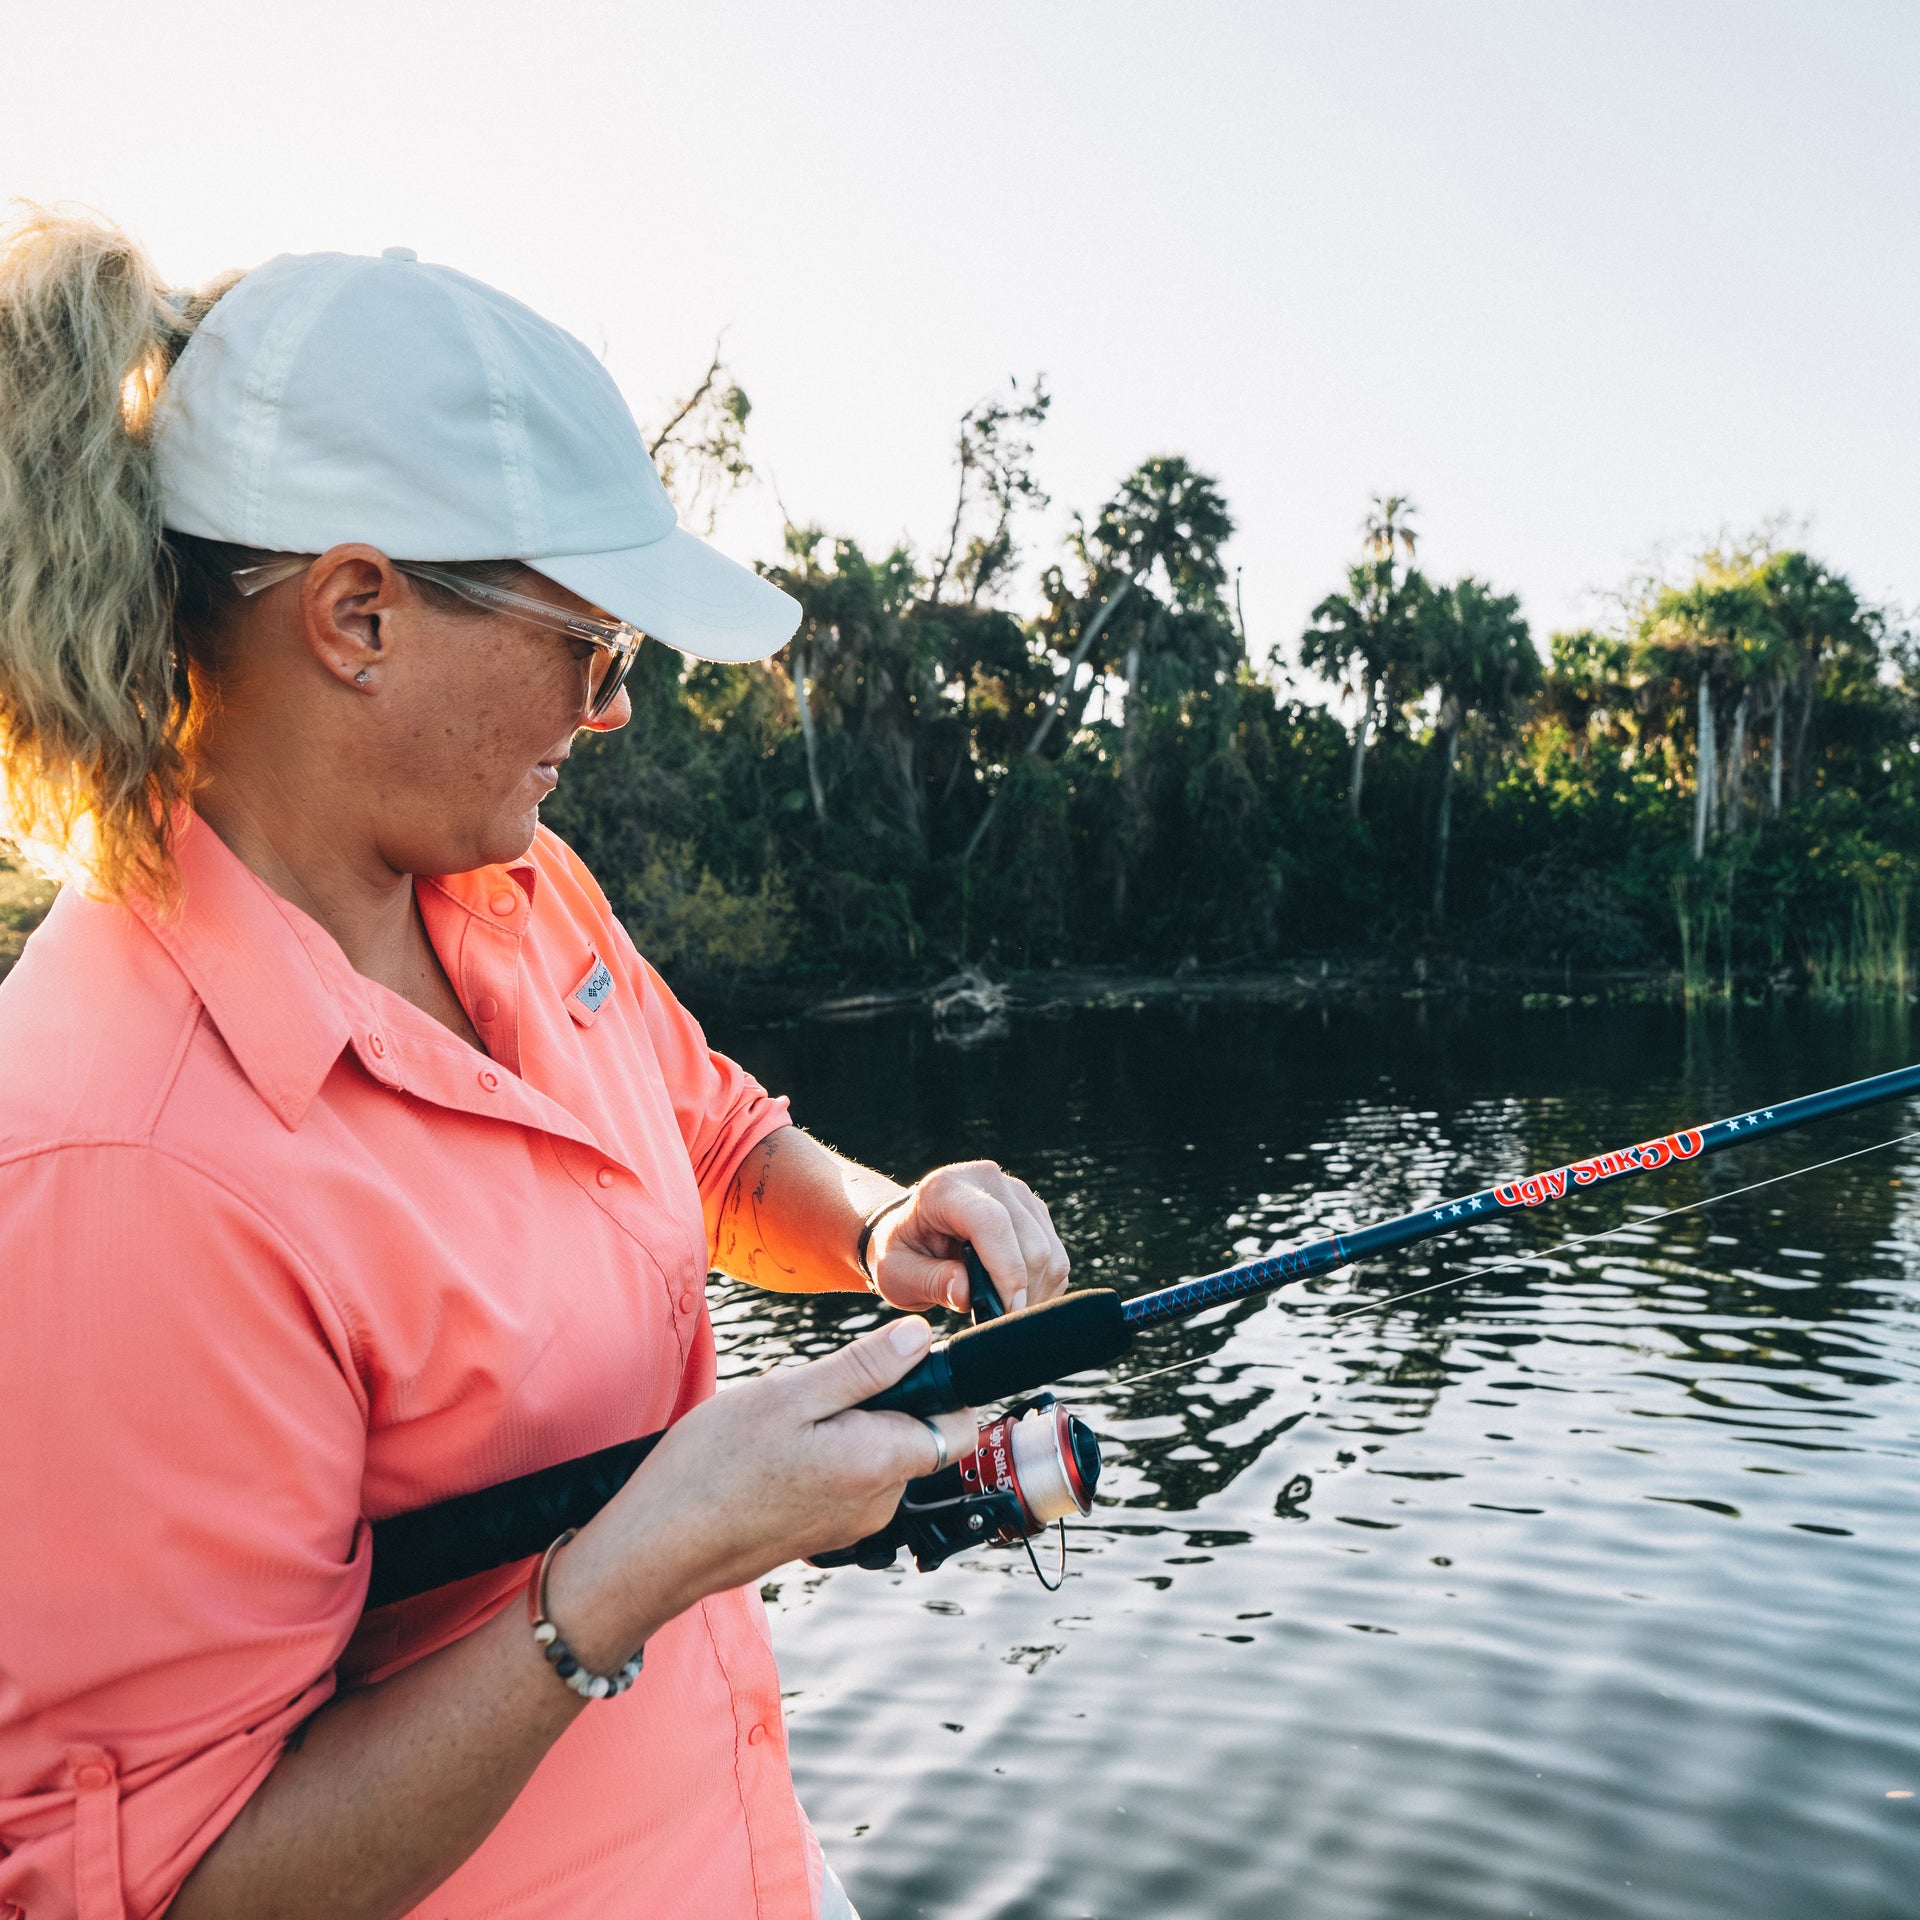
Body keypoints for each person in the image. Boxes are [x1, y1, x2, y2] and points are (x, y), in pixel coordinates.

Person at [0, 207, 1070, 1920]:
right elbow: (176, 1894)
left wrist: (876, 1224)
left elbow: (708, 1139)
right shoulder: (114, 1166)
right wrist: (629, 1575)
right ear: (359, 615)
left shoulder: (507, 879)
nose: (614, 707)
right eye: (593, 646)